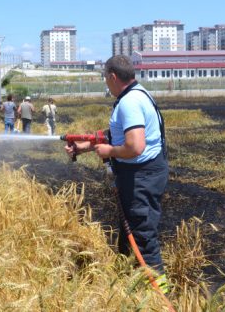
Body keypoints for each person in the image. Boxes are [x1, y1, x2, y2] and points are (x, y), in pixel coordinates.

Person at [64, 54, 169, 289]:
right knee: (129, 236)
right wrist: (85, 147)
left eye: (105, 78)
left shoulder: (130, 102)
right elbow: (118, 134)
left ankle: (159, 296)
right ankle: (129, 288)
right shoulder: (137, 94)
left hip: (142, 178)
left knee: (142, 239)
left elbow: (135, 145)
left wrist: (110, 151)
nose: (105, 83)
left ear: (112, 76)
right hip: (142, 176)